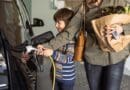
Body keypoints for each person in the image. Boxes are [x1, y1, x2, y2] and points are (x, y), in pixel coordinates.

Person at [37, 0, 130, 90]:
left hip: (116, 55)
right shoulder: (83, 8)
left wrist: (122, 28)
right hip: (93, 57)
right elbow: (68, 33)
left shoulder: (119, 1)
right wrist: (47, 46)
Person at [38, 8, 76, 90]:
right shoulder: (58, 37)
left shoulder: (71, 40)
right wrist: (44, 50)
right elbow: (53, 51)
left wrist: (52, 53)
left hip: (66, 79)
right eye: (55, 22)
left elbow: (68, 59)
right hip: (56, 76)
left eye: (59, 23)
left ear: (68, 23)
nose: (56, 25)